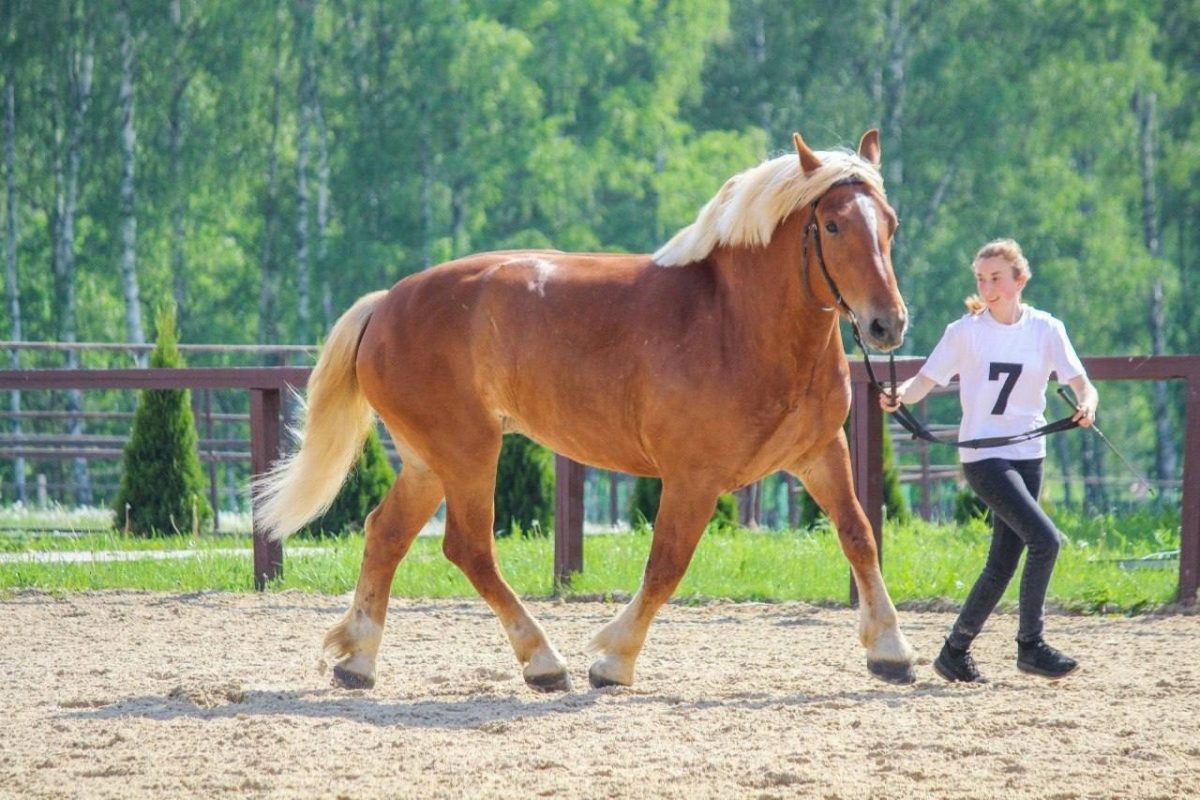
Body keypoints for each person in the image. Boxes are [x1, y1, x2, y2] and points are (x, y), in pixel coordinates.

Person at [880, 238, 1098, 683]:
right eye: (981, 278)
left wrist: (1087, 404)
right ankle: (1030, 646)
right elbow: (924, 380)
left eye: (996, 277)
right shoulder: (965, 332)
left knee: (1003, 561)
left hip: (1029, 454)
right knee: (1046, 540)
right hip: (984, 456)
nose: (987, 286)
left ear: (1020, 280)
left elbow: (1081, 382)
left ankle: (954, 652)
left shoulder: (1046, 329)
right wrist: (899, 396)